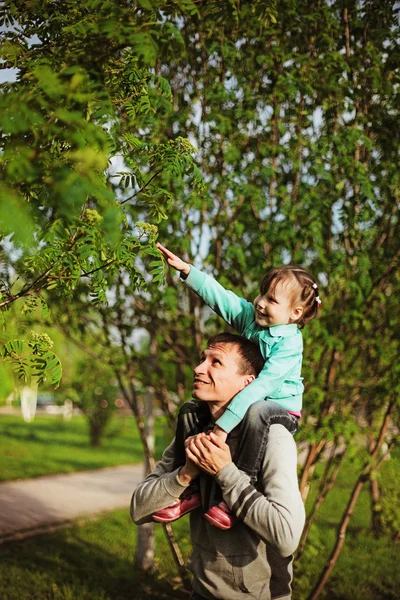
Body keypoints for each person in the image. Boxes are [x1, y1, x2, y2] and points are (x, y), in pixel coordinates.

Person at [151, 242, 320, 528]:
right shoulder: (255, 322)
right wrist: (189, 272)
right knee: (191, 409)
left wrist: (222, 427)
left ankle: (236, 495)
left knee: (256, 412)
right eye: (262, 294)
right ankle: (188, 487)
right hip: (252, 399)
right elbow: (223, 299)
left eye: (272, 300)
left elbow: (261, 387)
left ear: (295, 313)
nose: (260, 303)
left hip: (280, 410)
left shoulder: (290, 344)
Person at [130, 333, 306, 600]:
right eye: (202, 359)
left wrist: (225, 472)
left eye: (216, 362)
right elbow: (138, 509)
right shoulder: (195, 431)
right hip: (201, 591)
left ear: (248, 383)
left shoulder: (273, 437)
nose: (198, 368)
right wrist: (186, 473)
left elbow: (286, 538)